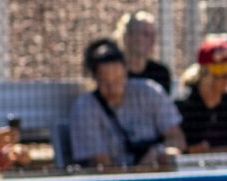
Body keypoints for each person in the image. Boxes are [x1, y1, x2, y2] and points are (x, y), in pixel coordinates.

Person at [70, 38, 185, 167]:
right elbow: (102, 167)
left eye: (118, 79)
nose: (112, 87)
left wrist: (161, 152)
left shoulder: (150, 91)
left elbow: (177, 139)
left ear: (126, 72)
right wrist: (141, 169)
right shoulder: (84, 109)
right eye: (105, 81)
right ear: (95, 78)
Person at [114, 10, 171, 93]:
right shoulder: (113, 71)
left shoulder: (160, 73)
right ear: (127, 36)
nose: (152, 40)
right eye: (145, 34)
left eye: (153, 34)